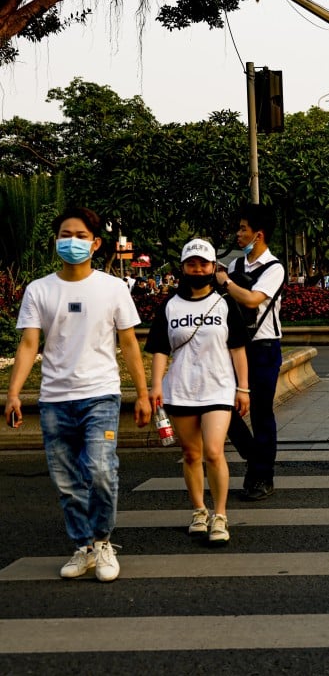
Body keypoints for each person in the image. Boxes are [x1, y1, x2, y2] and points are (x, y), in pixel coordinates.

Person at [5, 206, 152, 582]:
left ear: (96, 242)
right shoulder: (40, 289)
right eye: (65, 235)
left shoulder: (113, 288)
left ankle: (102, 541)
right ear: (56, 241)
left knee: (101, 470)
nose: (72, 242)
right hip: (55, 399)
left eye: (81, 236)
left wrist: (144, 394)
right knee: (66, 481)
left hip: (100, 394)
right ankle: (83, 545)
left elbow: (130, 344)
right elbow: (28, 345)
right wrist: (15, 393)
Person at [146, 239, 250, 544]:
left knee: (214, 452)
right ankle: (198, 511)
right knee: (191, 454)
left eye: (204, 264)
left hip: (218, 388)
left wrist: (243, 388)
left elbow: (238, 348)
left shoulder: (224, 303)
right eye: (192, 264)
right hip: (180, 390)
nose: (198, 269)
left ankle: (220, 515)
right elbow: (160, 350)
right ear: (183, 268)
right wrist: (155, 386)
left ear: (213, 267)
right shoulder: (170, 305)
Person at [214, 203, 285, 502]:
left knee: (260, 413)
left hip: (265, 347)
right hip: (236, 346)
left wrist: (226, 283)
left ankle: (261, 476)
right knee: (222, 403)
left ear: (259, 235)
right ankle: (256, 455)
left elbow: (253, 300)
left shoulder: (275, 268)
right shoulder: (235, 266)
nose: (238, 233)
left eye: (243, 228)